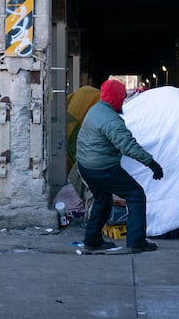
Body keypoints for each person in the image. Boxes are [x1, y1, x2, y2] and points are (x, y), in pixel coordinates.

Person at [76, 79, 164, 253]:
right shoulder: (111, 121)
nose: (123, 101)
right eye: (122, 97)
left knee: (103, 199)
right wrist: (151, 163)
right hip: (102, 168)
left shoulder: (96, 110)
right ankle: (137, 241)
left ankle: (92, 240)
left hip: (86, 166)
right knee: (136, 195)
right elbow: (127, 145)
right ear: (116, 98)